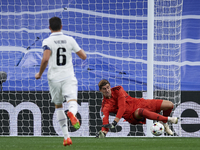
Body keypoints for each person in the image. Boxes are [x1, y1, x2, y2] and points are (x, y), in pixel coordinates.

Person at [35, 17, 87, 146]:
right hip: (68, 76)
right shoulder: (70, 40)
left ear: (49, 28)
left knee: (58, 106)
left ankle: (66, 137)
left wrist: (39, 74)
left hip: (54, 78)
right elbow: (83, 56)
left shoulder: (47, 41)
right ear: (61, 26)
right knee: (72, 102)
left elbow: (45, 59)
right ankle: (72, 113)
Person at [96, 79, 178, 138]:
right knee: (141, 111)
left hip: (139, 103)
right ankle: (169, 119)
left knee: (169, 105)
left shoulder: (118, 89)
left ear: (110, 86)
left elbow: (122, 107)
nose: (107, 90)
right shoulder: (105, 105)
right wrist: (103, 132)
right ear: (100, 90)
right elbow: (105, 121)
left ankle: (164, 122)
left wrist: (114, 123)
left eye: (108, 87)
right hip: (131, 115)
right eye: (104, 89)